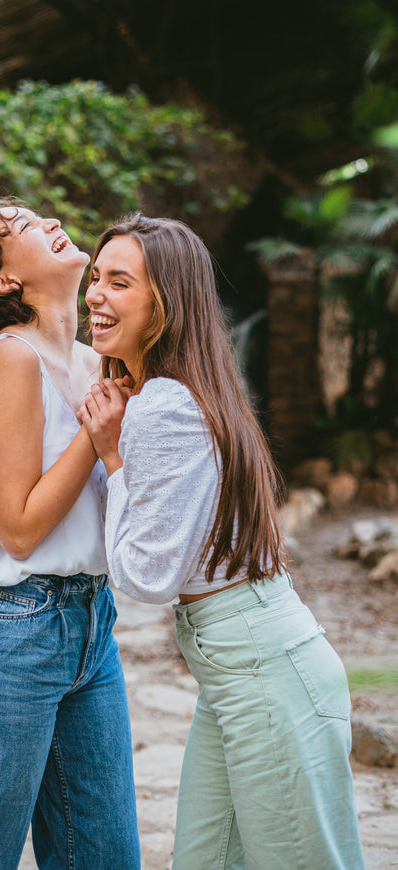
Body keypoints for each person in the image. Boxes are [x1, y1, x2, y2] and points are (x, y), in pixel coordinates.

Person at [79, 214, 365, 870]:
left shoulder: (160, 409)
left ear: (166, 303)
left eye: (119, 281)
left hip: (267, 672)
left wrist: (113, 458)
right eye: (96, 277)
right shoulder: (185, 392)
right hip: (246, 670)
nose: (95, 293)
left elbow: (145, 577)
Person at [0, 196, 140, 870]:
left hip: (91, 626)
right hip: (12, 631)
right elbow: (18, 530)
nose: (53, 223)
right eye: (30, 228)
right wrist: (97, 439)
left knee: (103, 853)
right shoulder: (11, 359)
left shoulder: (93, 361)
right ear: (6, 281)